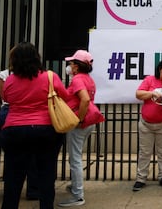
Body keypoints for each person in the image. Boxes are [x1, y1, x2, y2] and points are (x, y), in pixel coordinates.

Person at [0, 42, 68, 209]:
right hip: (45, 128)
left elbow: (7, 98)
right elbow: (64, 95)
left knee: (13, 177)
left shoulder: (9, 80)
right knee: (46, 175)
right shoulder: (49, 77)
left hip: (14, 129)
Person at [132, 57, 162, 192]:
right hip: (146, 123)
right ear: (159, 69)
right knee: (144, 152)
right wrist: (152, 93)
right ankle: (141, 178)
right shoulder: (150, 80)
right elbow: (138, 94)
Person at [58, 50, 98, 207]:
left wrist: (78, 119)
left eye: (71, 63)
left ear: (77, 66)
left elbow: (85, 99)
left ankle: (78, 195)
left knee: (74, 159)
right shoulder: (88, 79)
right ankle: (75, 185)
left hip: (80, 124)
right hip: (88, 122)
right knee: (75, 156)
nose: (69, 66)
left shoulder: (77, 80)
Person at [0, 68, 40, 201]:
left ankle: (10, 194)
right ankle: (33, 190)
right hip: (33, 114)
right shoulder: (39, 75)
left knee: (12, 156)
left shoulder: (6, 76)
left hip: (10, 113)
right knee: (33, 154)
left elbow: (5, 97)